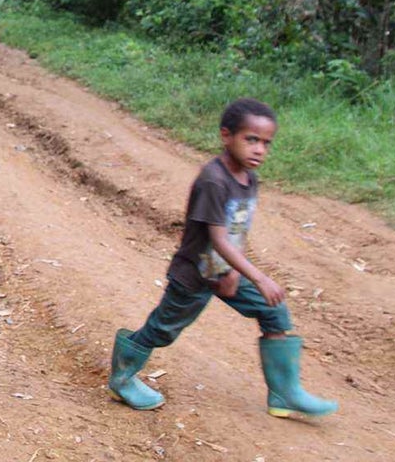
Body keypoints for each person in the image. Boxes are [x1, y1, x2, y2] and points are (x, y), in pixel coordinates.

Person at [108, 98, 338, 418]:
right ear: (226, 136)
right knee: (163, 330)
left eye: (266, 143)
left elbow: (236, 230)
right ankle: (122, 376)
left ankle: (285, 393)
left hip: (225, 269)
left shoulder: (249, 179)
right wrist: (258, 276)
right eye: (251, 139)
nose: (259, 149)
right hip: (194, 276)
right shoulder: (213, 181)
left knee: (273, 310)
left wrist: (234, 272)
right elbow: (217, 238)